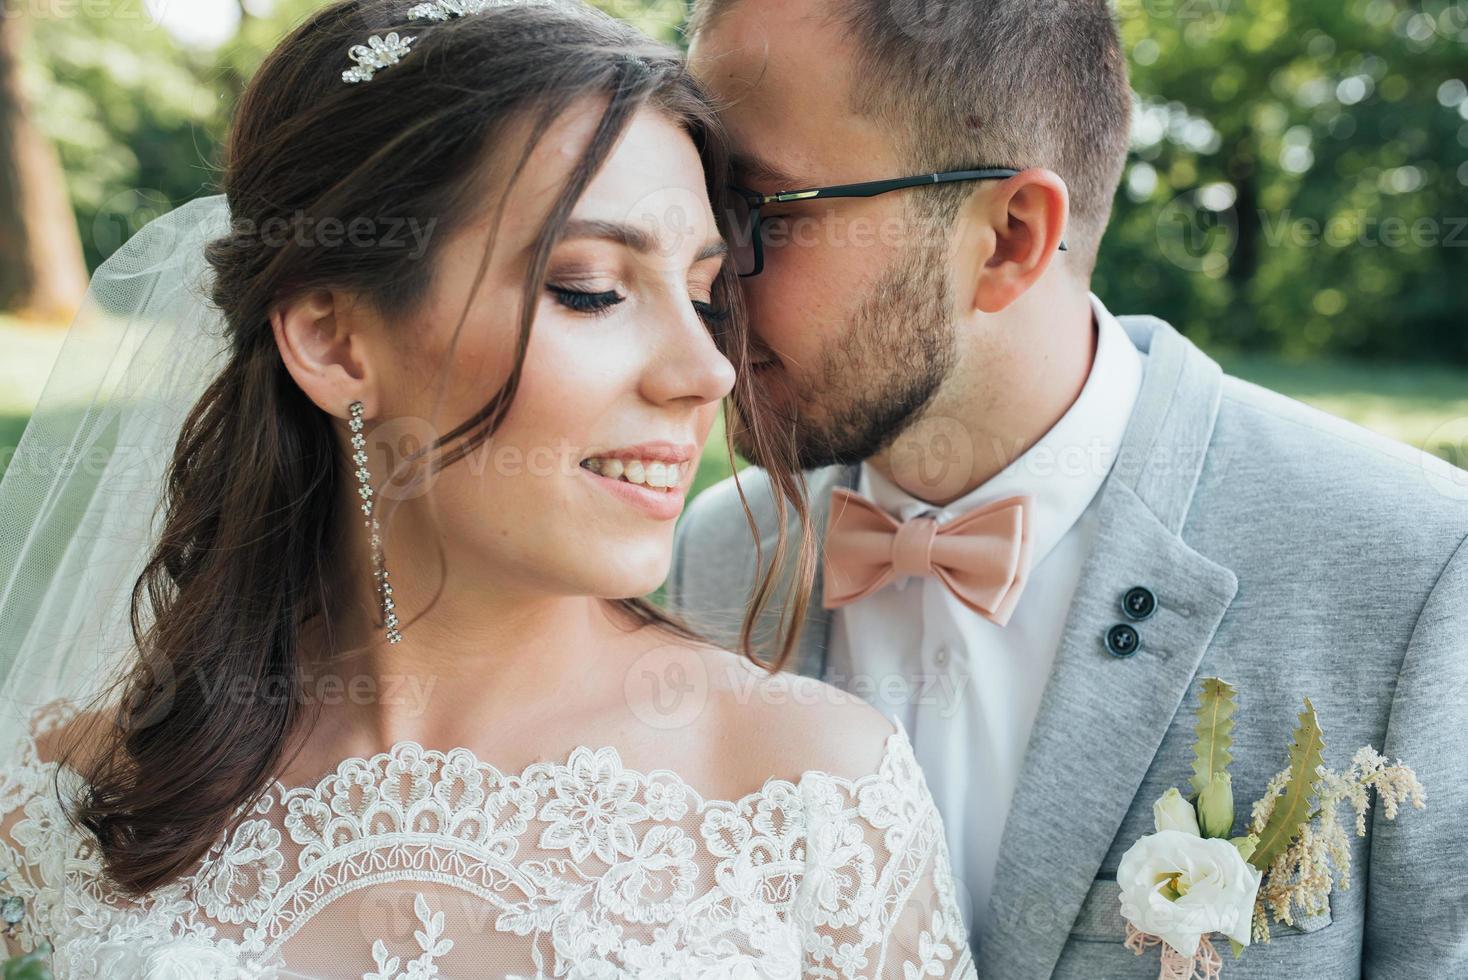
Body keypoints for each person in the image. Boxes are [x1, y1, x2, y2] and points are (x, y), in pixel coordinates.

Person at [0, 1, 976, 976]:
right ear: (335, 341)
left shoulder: (815, 797)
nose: (706, 369)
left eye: (706, 294)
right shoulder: (71, 800)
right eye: (590, 288)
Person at [668, 0, 1468, 977]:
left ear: (1008, 236)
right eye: (695, 205)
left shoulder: (1410, 571)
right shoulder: (712, 559)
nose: (704, 279)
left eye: (756, 211)